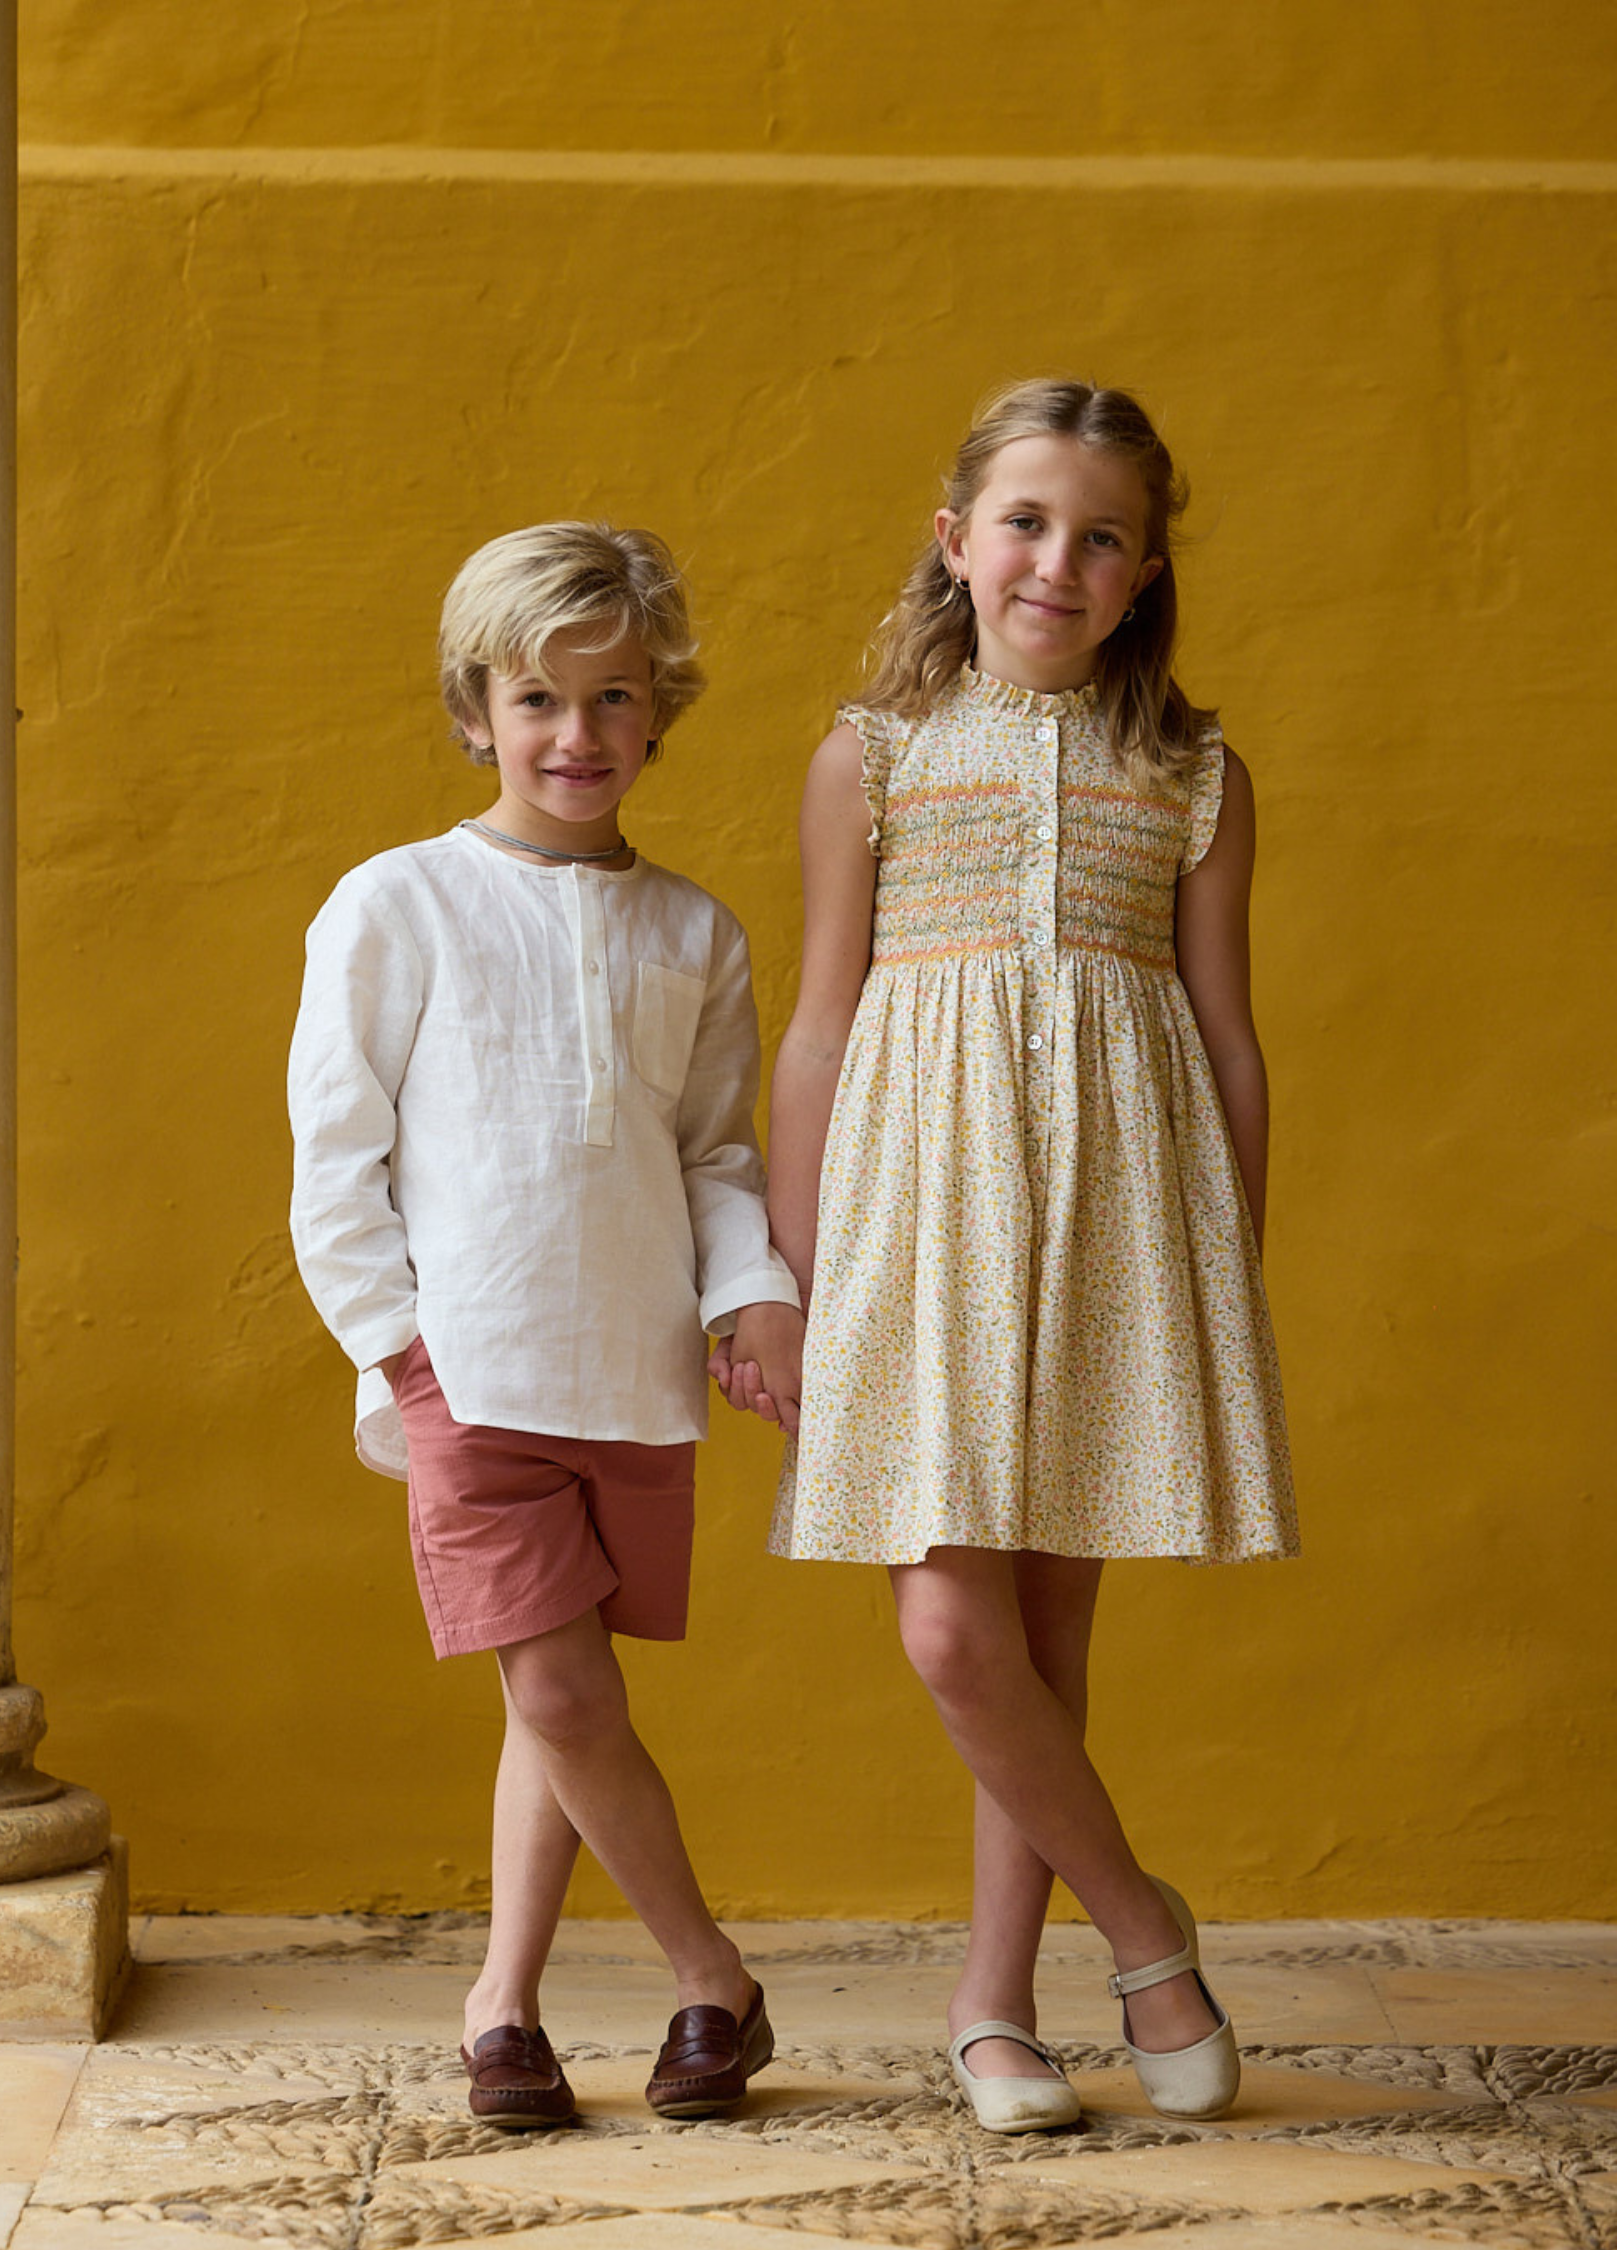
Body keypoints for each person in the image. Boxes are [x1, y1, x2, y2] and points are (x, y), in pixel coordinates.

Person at [716, 379, 1298, 2133]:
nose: (1061, 557)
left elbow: (1228, 1038)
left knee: (1044, 1641)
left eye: (1103, 532)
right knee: (954, 1631)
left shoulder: (1197, 773)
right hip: (918, 1223)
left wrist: (1227, 1282)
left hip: (1122, 1231)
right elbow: (817, 1030)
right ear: (956, 541)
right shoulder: (870, 756)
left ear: (1143, 574)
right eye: (1028, 520)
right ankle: (1148, 1933)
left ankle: (992, 2010)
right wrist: (798, 1278)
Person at [289, 522, 801, 2128]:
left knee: (552, 1697)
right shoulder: (400, 904)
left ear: (659, 714)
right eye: (537, 700)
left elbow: (715, 1154)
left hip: (634, 1375)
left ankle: (500, 2009)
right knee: (568, 1693)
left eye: (615, 699)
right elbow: (335, 1152)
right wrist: (401, 1348)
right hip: (473, 1370)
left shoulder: (696, 934)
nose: (576, 737)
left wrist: (752, 1295)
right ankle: (713, 1974)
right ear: (473, 710)